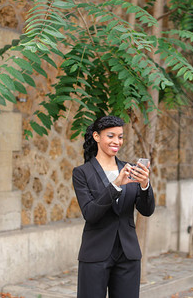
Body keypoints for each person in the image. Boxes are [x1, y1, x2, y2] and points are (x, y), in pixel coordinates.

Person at [72, 115, 155, 298]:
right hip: (95, 253)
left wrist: (144, 185)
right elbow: (90, 213)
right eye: (111, 136)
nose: (117, 141)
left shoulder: (131, 169)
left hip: (128, 254)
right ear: (96, 136)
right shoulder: (82, 173)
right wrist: (116, 184)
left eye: (120, 136)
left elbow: (147, 210)